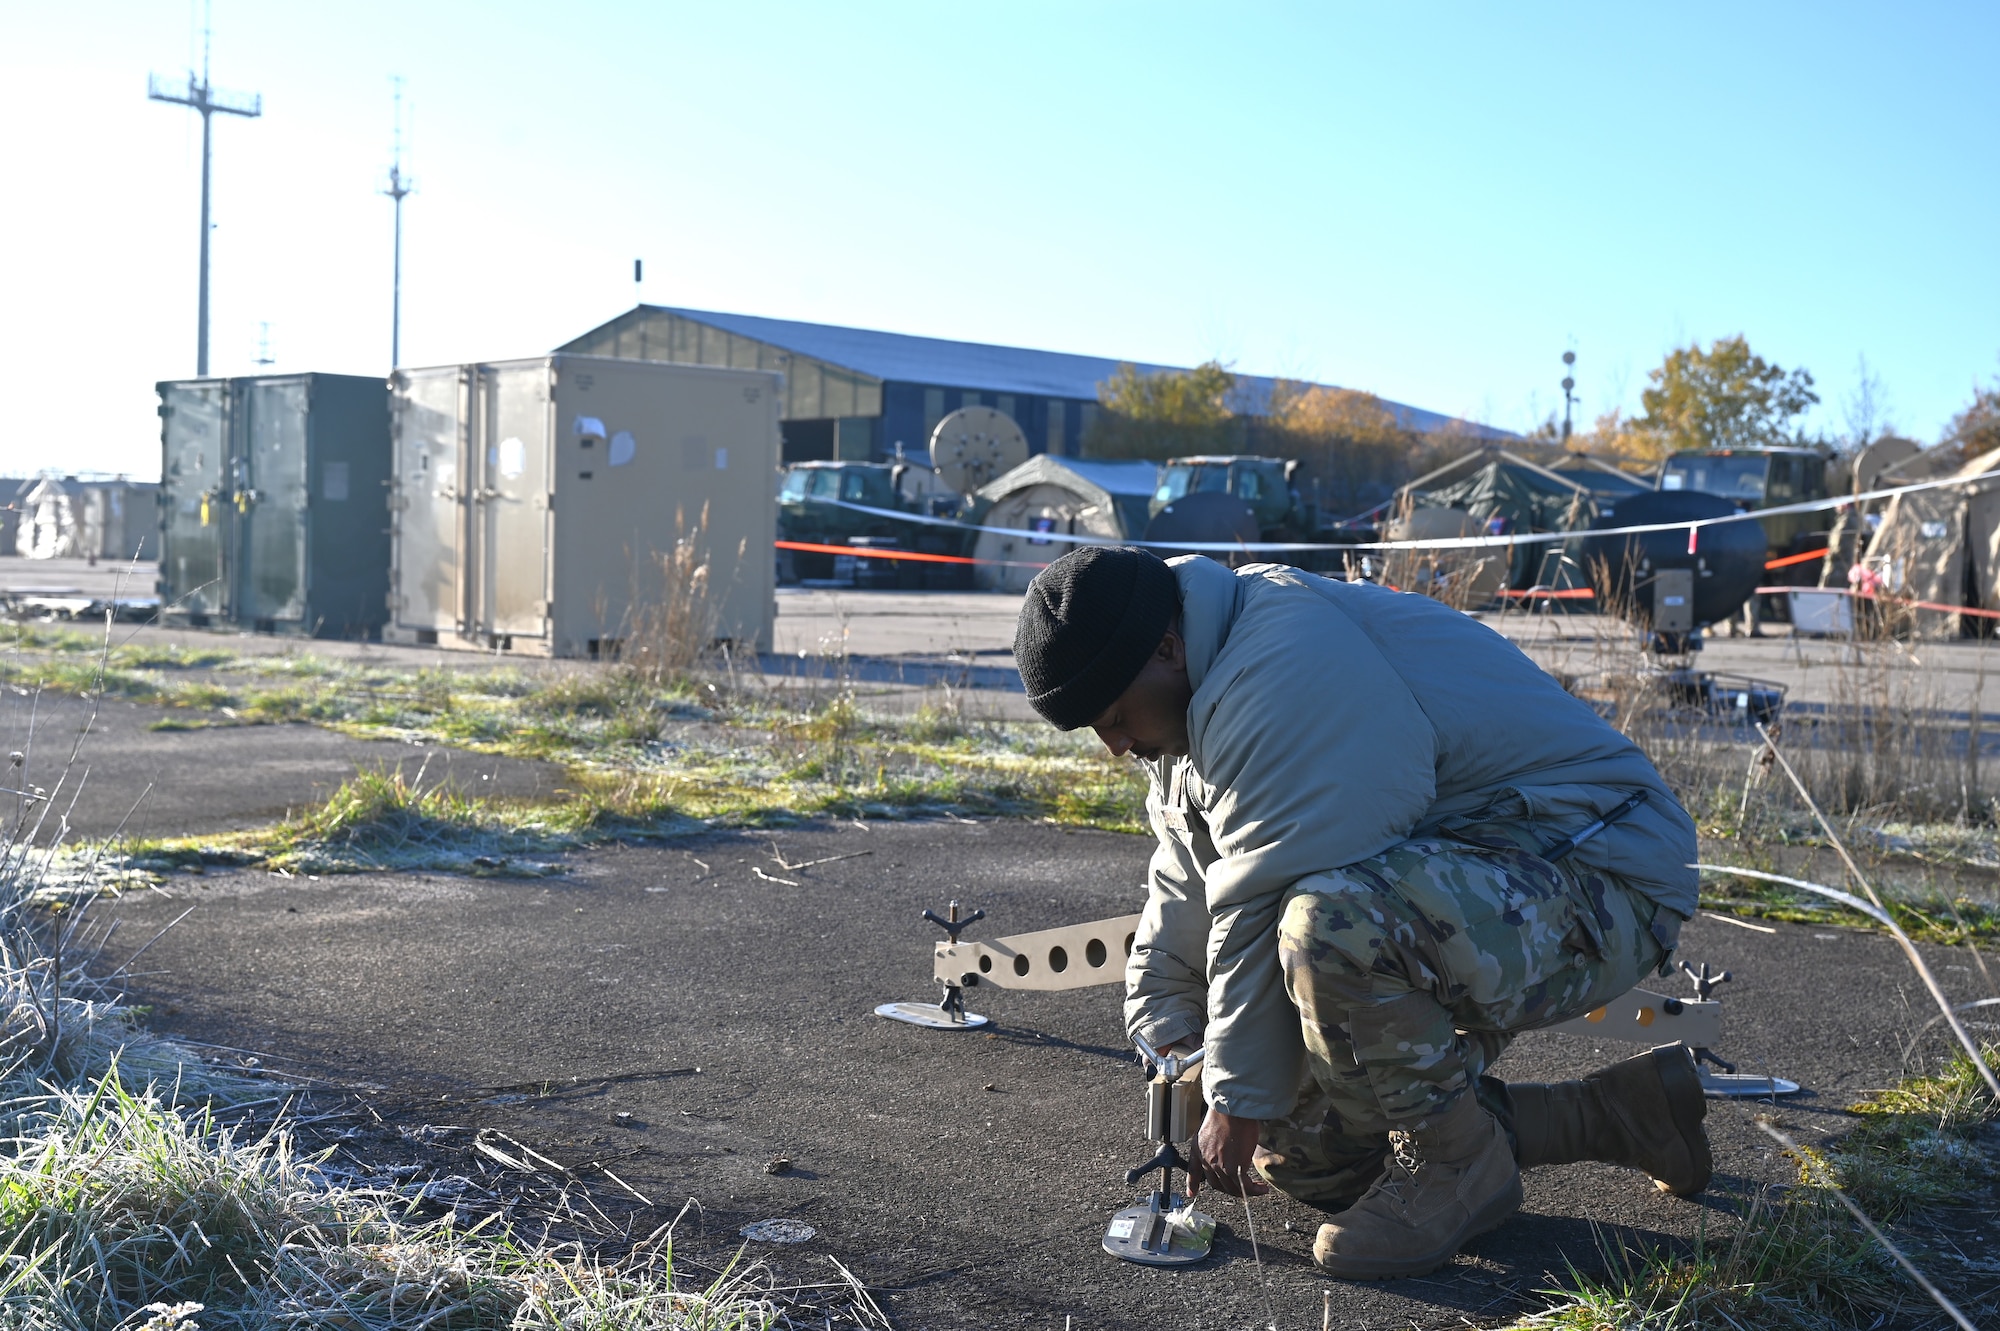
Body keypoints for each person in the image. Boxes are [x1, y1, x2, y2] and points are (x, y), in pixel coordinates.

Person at [1012, 546, 1710, 1280]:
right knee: (1301, 1146)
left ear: (1165, 646)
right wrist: (1171, 1028)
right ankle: (1619, 1114)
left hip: (1602, 871)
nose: (1116, 745)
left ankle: (1457, 1160)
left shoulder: (1277, 671)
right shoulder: (1191, 683)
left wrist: (1230, 1098)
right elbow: (1189, 874)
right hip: (1491, 874)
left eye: (1116, 716)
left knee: (1330, 928)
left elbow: (1260, 898)